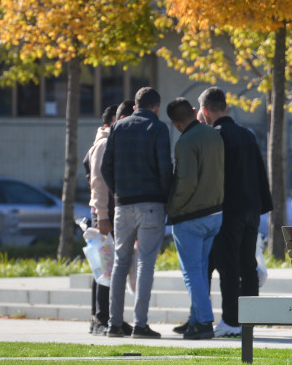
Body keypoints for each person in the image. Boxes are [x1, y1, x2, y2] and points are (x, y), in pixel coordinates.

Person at [198, 87, 272, 338]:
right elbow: (259, 172)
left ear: (205, 111)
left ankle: (231, 320)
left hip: (227, 210)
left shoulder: (214, 136)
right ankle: (249, 319)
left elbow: (211, 178)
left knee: (228, 266)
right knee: (247, 265)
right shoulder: (246, 135)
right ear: (226, 107)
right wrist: (263, 204)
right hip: (251, 208)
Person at [102, 87, 172, 339]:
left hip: (123, 204)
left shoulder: (118, 128)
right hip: (151, 203)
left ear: (135, 107)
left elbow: (104, 167)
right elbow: (165, 168)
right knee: (145, 264)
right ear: (157, 107)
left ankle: (114, 323)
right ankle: (140, 324)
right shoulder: (158, 128)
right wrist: (167, 197)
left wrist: (118, 191)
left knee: (120, 264)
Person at [165, 97, 225, 340]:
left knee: (192, 273)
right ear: (193, 111)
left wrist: (173, 209)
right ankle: (196, 319)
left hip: (191, 217)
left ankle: (202, 321)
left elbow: (186, 182)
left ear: (175, 124)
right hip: (215, 213)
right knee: (200, 271)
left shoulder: (185, 142)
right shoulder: (214, 135)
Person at [83, 103, 118, 337]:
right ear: (111, 121)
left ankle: (110, 316)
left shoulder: (110, 142)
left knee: (111, 266)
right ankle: (99, 317)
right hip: (104, 214)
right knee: (104, 267)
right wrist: (102, 216)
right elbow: (98, 182)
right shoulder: (104, 143)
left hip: (110, 212)